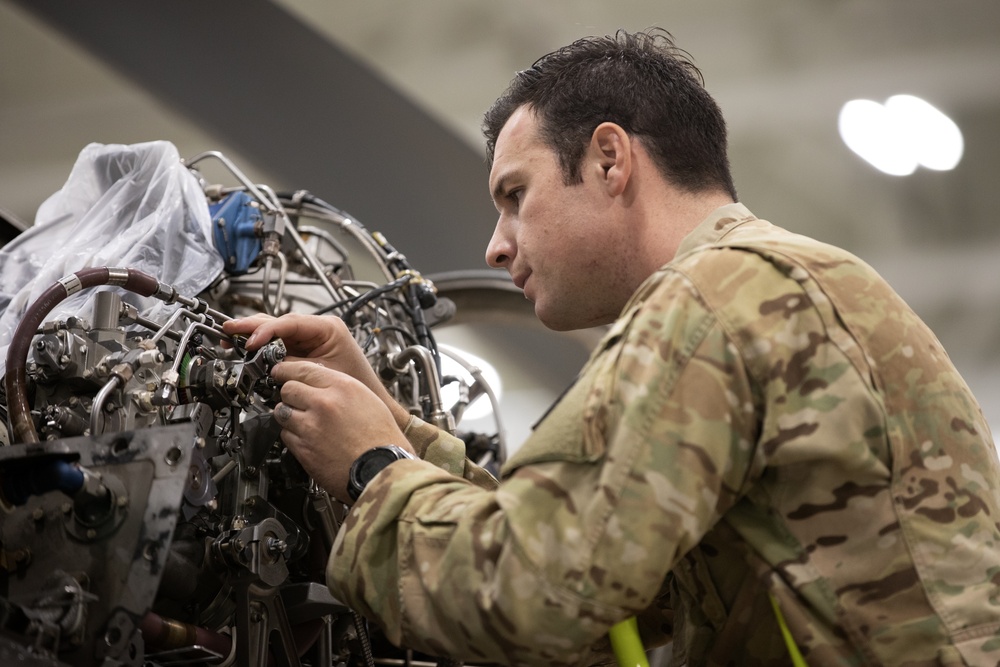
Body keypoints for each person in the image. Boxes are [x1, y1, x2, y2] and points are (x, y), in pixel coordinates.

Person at [224, 28, 1000, 666]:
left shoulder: (710, 301)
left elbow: (531, 595)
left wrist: (372, 470)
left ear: (608, 158)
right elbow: (608, 586)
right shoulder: (773, 282)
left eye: (514, 196)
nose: (496, 246)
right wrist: (389, 420)